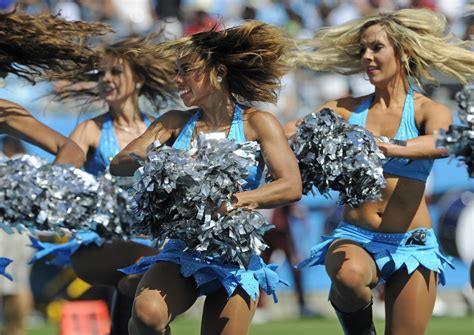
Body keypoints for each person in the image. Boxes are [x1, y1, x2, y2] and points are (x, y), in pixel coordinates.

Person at [288, 8, 474, 335]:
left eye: (376, 48)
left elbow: (442, 142)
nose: (367, 57)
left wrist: (387, 145)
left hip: (412, 244)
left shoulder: (428, 109)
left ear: (403, 52)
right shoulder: (344, 108)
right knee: (347, 274)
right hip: (355, 236)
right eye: (362, 49)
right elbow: (291, 131)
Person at [110, 21, 302, 335]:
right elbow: (119, 163)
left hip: (234, 253)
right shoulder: (174, 123)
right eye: (176, 71)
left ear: (219, 71)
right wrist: (168, 159)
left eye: (186, 69)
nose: (177, 79)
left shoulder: (258, 123)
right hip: (182, 248)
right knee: (146, 316)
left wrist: (238, 200)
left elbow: (291, 185)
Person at [32, 35, 177, 334]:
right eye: (101, 74)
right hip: (100, 245)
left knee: (143, 317)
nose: (106, 79)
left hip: (149, 243)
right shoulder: (90, 129)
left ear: (137, 79)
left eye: (115, 72)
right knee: (154, 266)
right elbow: (61, 176)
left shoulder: (160, 129)